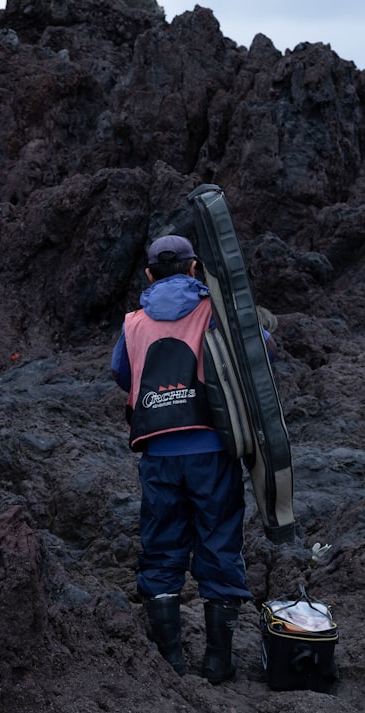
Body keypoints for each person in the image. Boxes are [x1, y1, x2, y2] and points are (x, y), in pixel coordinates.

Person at [110, 234, 260, 684]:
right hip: (212, 451)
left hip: (157, 453)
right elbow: (260, 349)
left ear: (149, 275)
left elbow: (122, 373)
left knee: (161, 549)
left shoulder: (133, 323)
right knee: (219, 544)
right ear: (195, 270)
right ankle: (218, 662)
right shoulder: (214, 311)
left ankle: (170, 661)